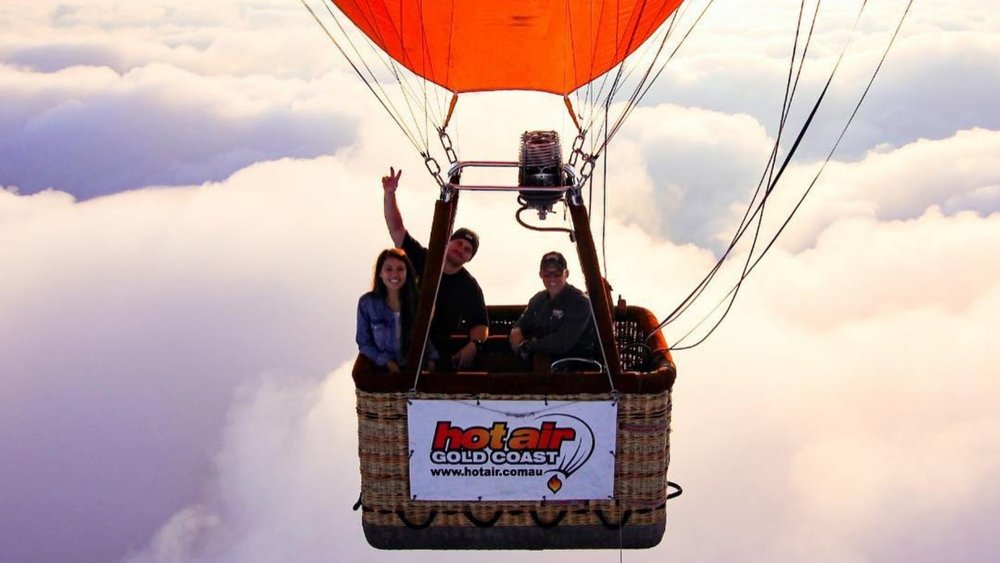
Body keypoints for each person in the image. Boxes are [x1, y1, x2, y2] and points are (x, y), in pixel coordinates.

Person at [381, 167, 489, 368]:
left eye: (467, 250)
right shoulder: (422, 258)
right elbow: (396, 228)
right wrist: (389, 194)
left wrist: (474, 345)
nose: (461, 250)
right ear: (448, 242)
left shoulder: (468, 286)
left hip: (436, 345)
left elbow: (480, 324)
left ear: (469, 258)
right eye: (458, 243)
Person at [356, 248, 437, 371]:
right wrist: (387, 362)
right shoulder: (367, 303)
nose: (395, 274)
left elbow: (426, 336)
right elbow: (364, 343)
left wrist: (432, 359)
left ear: (407, 273)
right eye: (389, 269)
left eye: (400, 269)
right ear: (380, 273)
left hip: (414, 370)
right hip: (383, 373)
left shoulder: (419, 303)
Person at [509, 251, 598, 361]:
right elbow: (522, 323)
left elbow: (564, 341)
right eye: (547, 273)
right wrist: (516, 330)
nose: (552, 278)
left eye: (557, 273)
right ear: (540, 274)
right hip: (543, 365)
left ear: (566, 274)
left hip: (575, 367)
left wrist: (529, 346)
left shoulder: (580, 302)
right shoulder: (537, 300)